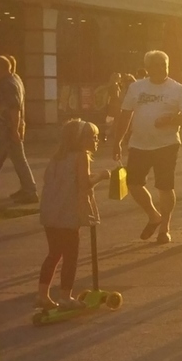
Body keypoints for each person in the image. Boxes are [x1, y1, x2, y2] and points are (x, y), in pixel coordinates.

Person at [111, 51, 182, 244]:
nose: (160, 68)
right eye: (155, 65)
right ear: (147, 68)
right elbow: (126, 114)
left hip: (166, 145)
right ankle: (153, 215)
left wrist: (171, 120)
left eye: (163, 64)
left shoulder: (178, 89)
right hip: (139, 144)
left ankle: (165, 228)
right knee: (133, 183)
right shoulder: (136, 87)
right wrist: (117, 141)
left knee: (164, 186)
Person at [36, 119, 109, 310]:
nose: (97, 141)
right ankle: (65, 297)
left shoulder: (57, 157)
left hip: (50, 212)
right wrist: (101, 176)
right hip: (68, 214)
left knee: (54, 253)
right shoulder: (81, 156)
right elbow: (84, 184)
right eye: (93, 137)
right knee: (70, 255)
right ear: (80, 139)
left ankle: (43, 295)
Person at [0, 54, 38, 204]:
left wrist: (14, 129)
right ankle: (29, 190)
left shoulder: (6, 84)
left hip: (6, 129)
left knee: (18, 159)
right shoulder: (15, 79)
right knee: (19, 159)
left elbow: (14, 108)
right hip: (11, 128)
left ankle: (29, 191)